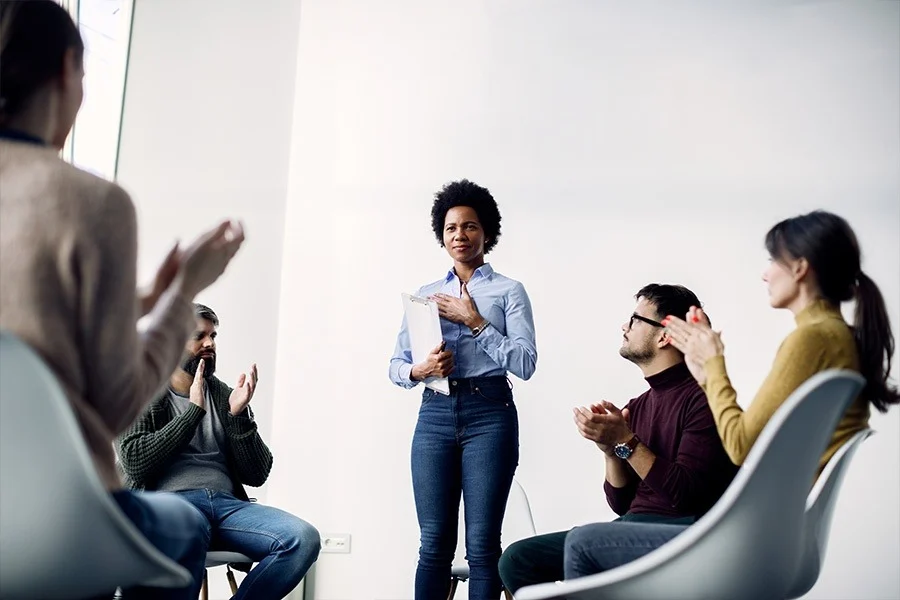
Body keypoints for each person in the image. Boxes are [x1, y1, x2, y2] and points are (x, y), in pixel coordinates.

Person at [0, 2, 245, 598]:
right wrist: (184, 293)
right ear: (67, 69)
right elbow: (115, 406)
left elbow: (28, 314)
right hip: (54, 519)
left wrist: (138, 301)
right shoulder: (93, 203)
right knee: (184, 527)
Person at [564, 210, 898, 579]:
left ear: (800, 268)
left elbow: (740, 445)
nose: (765, 273)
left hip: (753, 535)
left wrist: (712, 366)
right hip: (781, 530)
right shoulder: (836, 335)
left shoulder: (812, 337)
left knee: (582, 544)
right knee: (541, 554)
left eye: (774, 260)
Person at [499, 284, 737, 595]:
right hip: (632, 525)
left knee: (585, 542)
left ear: (665, 335)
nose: (625, 326)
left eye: (636, 320)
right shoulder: (638, 405)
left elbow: (684, 495)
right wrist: (611, 450)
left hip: (683, 532)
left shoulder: (702, 399)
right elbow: (621, 504)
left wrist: (626, 441)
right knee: (517, 559)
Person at [389, 179, 538, 599]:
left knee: (483, 548)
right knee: (433, 544)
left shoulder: (509, 291)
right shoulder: (423, 296)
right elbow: (395, 365)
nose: (460, 235)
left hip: (489, 414)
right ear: (442, 235)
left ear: (486, 233)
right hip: (434, 414)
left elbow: (526, 362)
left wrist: (475, 322)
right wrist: (420, 370)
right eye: (452, 228)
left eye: (470, 226)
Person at [117, 303, 321, 599]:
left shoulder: (224, 393)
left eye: (213, 336)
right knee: (190, 532)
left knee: (302, 538)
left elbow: (257, 473)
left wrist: (239, 417)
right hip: (171, 504)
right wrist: (192, 414)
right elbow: (135, 461)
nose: (209, 343)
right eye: (199, 336)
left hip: (228, 507)